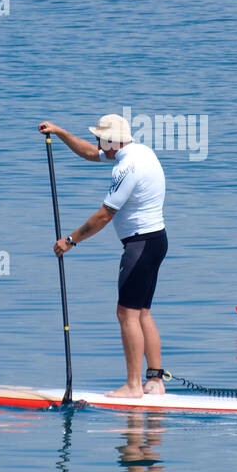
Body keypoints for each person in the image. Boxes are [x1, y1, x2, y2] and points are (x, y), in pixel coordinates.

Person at [37, 114, 168, 397]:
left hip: (139, 246)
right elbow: (87, 152)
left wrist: (70, 241)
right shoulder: (140, 152)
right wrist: (59, 131)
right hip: (156, 241)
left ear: (111, 140)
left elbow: (105, 215)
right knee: (142, 312)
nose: (97, 142)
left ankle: (134, 386)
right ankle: (155, 381)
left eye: (100, 138)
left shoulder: (127, 167)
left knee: (127, 314)